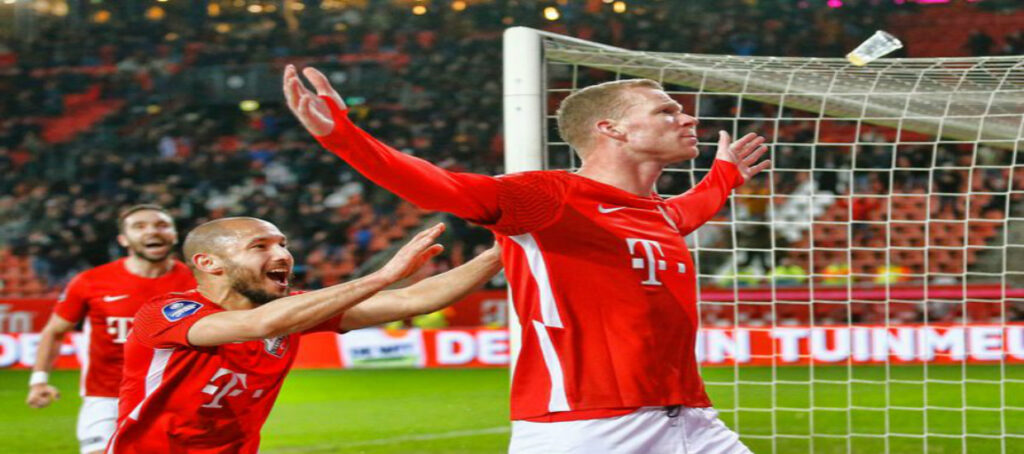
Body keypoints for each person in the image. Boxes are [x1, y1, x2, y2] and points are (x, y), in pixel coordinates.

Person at [285, 65, 771, 453]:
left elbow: (689, 209)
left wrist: (724, 176)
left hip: (691, 417)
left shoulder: (655, 214)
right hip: (586, 426)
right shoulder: (547, 197)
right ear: (612, 129)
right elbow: (438, 186)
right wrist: (343, 137)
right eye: (667, 111)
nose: (688, 119)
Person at [105, 218, 501, 453]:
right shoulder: (167, 313)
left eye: (283, 244)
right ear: (209, 263)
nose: (282, 255)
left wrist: (505, 249)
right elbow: (259, 325)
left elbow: (416, 298)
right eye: (259, 247)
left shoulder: (294, 311)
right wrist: (382, 276)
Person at [26, 204, 195, 454]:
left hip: (178, 398)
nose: (152, 231)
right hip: (107, 398)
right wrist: (39, 381)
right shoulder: (91, 282)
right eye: (139, 226)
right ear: (123, 239)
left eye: (162, 225)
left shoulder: (199, 281)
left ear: (174, 235)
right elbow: (54, 330)